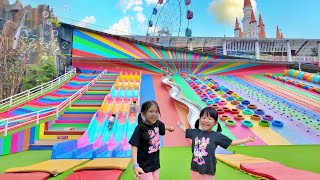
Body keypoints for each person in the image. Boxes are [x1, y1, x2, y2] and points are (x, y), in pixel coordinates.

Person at [177, 107, 256, 180]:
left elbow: (232, 142)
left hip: (208, 169)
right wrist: (180, 125)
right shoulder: (195, 133)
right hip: (195, 167)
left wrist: (247, 139)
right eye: (203, 118)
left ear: (215, 123)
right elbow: (186, 130)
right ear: (199, 119)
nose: (206, 120)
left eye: (210, 119)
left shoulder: (216, 136)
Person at [129, 101, 175, 180]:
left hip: (155, 164)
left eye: (156, 112)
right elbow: (134, 147)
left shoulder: (157, 123)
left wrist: (169, 128)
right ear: (143, 113)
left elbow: (163, 126)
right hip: (144, 167)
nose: (154, 114)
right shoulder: (140, 128)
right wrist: (135, 165)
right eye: (151, 111)